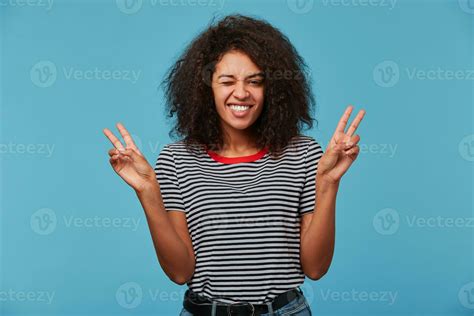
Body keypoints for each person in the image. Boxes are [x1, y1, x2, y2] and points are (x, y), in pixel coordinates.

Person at [103, 14, 365, 316]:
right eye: (227, 81)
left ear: (272, 90)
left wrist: (329, 184)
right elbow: (179, 273)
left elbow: (316, 268)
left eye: (255, 81)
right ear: (206, 89)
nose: (241, 93)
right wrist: (148, 192)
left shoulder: (303, 154)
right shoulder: (176, 160)